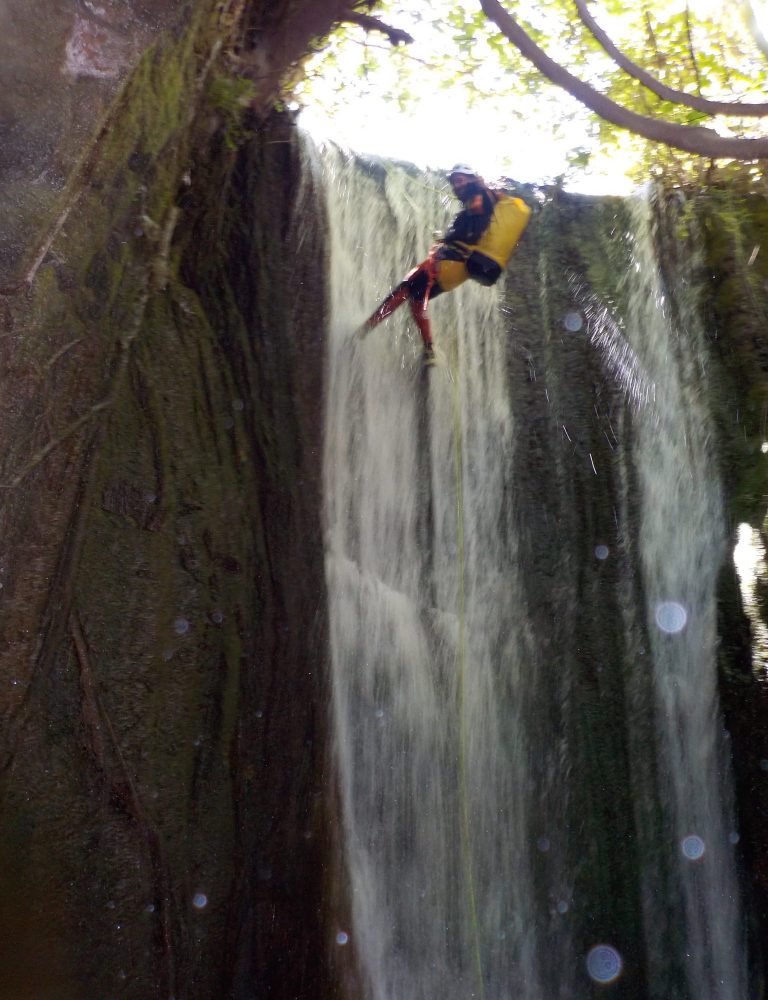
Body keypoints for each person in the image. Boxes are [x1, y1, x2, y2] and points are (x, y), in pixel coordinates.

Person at [359, 165, 531, 364]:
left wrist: (480, 192)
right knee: (416, 297)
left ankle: (365, 330)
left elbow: (478, 211)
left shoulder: (480, 196)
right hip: (455, 272)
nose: (456, 186)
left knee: (404, 288)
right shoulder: (477, 202)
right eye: (454, 182)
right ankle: (429, 350)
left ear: (471, 179)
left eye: (460, 180)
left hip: (451, 263)